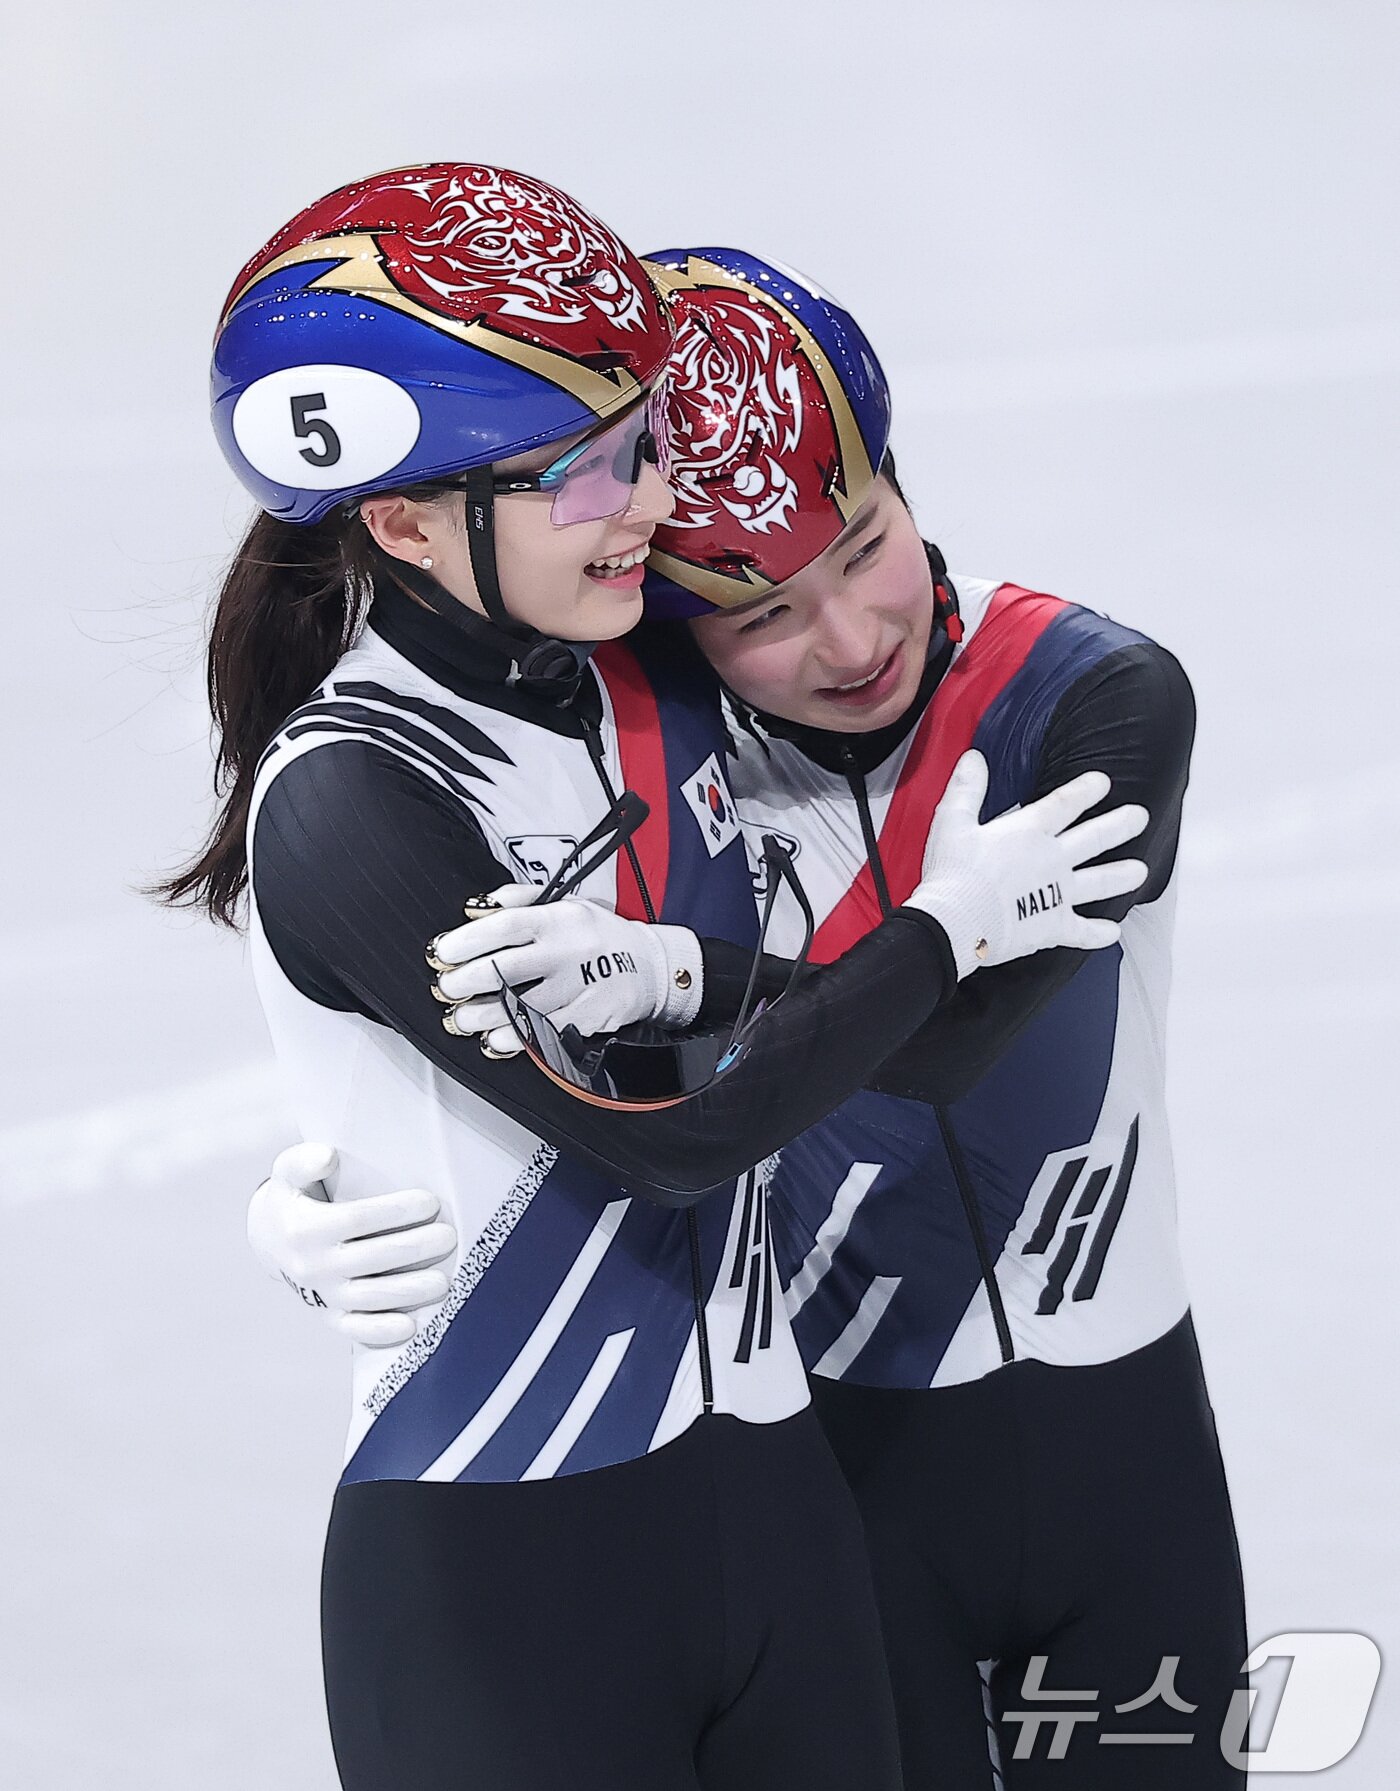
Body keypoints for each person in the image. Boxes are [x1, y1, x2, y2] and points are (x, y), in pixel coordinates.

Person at [173, 168, 1145, 1791]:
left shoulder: (647, 678)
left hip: (781, 1511)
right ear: (405, 523)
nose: (645, 507)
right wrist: (946, 930)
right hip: (506, 1553)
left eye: (643, 439)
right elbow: (670, 1144)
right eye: (584, 472)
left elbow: (891, 937)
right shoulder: (355, 795)